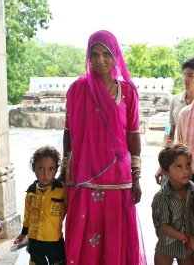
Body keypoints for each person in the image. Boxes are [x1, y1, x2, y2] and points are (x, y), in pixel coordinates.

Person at [61, 30, 146, 264]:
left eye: (106, 54)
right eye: (95, 54)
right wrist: (64, 169)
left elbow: (133, 135)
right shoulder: (77, 89)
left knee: (116, 238)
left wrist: (136, 176)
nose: (100, 60)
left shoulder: (128, 91)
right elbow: (68, 132)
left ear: (116, 55)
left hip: (118, 177)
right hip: (83, 176)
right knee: (85, 235)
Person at [155, 57, 194, 185]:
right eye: (184, 75)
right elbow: (170, 131)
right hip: (179, 163)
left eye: (190, 75)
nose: (185, 79)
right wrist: (163, 163)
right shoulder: (176, 100)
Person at [14, 146, 67, 265]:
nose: (45, 174)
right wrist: (23, 233)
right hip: (34, 241)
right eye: (41, 168)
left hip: (54, 241)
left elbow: (71, 211)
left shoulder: (61, 190)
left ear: (56, 170)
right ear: (34, 168)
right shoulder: (31, 192)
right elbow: (27, 216)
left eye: (51, 169)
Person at [152, 143, 194, 265]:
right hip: (166, 246)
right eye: (178, 167)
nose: (186, 171)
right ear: (165, 172)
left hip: (187, 249)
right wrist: (188, 239)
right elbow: (162, 226)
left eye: (188, 165)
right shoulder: (161, 197)